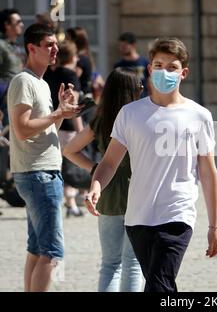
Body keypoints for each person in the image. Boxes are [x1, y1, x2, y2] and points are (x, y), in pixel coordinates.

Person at [86, 37, 217, 292]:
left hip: (177, 215)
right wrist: (96, 186)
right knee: (160, 285)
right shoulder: (130, 113)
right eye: (159, 65)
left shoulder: (199, 115)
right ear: (149, 69)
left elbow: (208, 171)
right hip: (137, 218)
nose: (164, 71)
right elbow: (109, 162)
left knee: (159, 285)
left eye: (172, 67)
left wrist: (214, 227)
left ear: (184, 73)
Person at [7, 23, 79, 292]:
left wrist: (60, 111)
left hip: (42, 170)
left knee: (37, 248)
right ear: (31, 48)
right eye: (49, 44)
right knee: (51, 251)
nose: (55, 49)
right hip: (38, 173)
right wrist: (58, 114)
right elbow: (23, 128)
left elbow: (47, 129)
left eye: (55, 44)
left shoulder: (41, 84)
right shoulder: (23, 81)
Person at [63, 67, 143, 292]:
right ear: (134, 91)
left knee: (110, 264)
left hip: (106, 192)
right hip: (137, 193)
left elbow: (69, 149)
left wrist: (95, 168)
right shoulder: (139, 117)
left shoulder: (101, 117)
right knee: (133, 264)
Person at [44, 40, 85, 218]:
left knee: (54, 166)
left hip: (51, 123)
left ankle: (55, 201)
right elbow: (73, 105)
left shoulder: (49, 73)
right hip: (68, 126)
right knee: (70, 166)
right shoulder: (70, 75)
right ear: (72, 56)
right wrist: (81, 131)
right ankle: (71, 203)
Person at [0, 8, 25, 126]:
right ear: (7, 25)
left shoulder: (18, 47)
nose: (22, 24)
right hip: (4, 100)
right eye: (18, 22)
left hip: (19, 97)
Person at [113, 32, 150, 97]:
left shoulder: (145, 63)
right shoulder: (118, 66)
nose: (121, 48)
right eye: (120, 46)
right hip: (125, 101)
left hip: (142, 100)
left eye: (124, 45)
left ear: (133, 45)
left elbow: (150, 83)